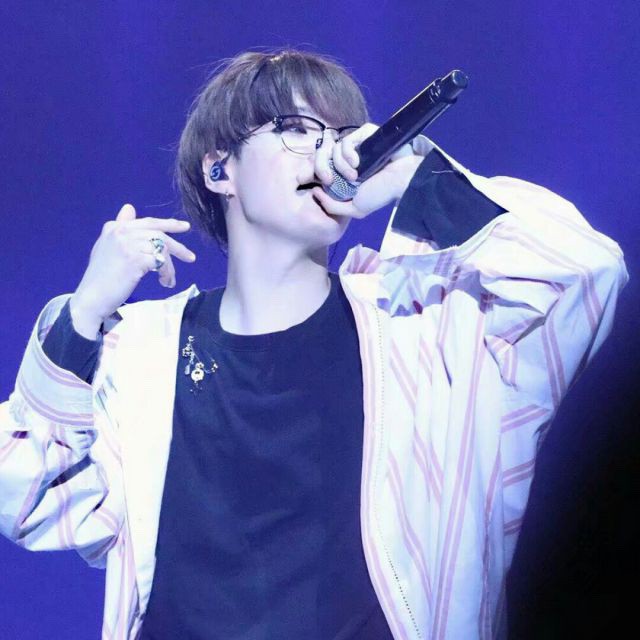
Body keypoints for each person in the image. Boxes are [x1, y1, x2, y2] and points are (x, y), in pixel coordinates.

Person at [0, 49, 628, 640]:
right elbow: (23, 495)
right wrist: (83, 312)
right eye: (298, 129)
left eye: (341, 134)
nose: (330, 152)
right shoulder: (141, 351)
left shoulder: (425, 323)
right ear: (220, 169)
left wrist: (420, 181)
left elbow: (586, 271)